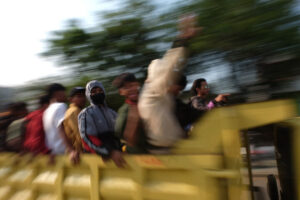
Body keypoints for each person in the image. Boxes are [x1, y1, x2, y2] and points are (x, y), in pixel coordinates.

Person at [138, 15, 200, 153]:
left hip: (173, 148)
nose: (174, 88)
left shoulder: (163, 96)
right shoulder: (152, 91)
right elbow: (167, 69)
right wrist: (182, 40)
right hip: (162, 152)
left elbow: (190, 113)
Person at [78, 80, 125, 167]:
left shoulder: (112, 112)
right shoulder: (86, 113)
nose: (98, 93)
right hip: (98, 159)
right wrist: (109, 152)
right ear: (88, 95)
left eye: (100, 91)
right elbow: (88, 137)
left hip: (118, 154)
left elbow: (120, 134)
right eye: (94, 92)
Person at [43, 83, 79, 163]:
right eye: (64, 92)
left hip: (54, 153)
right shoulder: (61, 106)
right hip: (64, 152)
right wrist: (71, 150)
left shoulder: (46, 111)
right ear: (57, 93)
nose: (66, 94)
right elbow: (61, 128)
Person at [113, 73, 148, 154]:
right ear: (121, 92)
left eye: (132, 85)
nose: (131, 89)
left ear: (138, 85)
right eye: (126, 88)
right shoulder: (124, 110)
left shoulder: (147, 103)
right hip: (138, 154)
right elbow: (120, 133)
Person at [63, 87, 86, 152]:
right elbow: (80, 134)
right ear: (71, 100)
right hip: (80, 152)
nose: (83, 98)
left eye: (84, 96)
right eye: (79, 96)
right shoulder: (74, 111)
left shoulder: (74, 110)